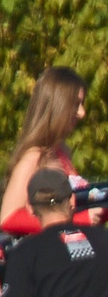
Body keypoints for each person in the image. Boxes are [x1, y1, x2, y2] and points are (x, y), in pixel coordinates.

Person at [4, 67, 89, 232]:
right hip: (43, 254)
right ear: (57, 106)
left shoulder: (62, 152)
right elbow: (8, 218)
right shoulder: (34, 157)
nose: (82, 113)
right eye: (75, 105)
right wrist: (80, 221)